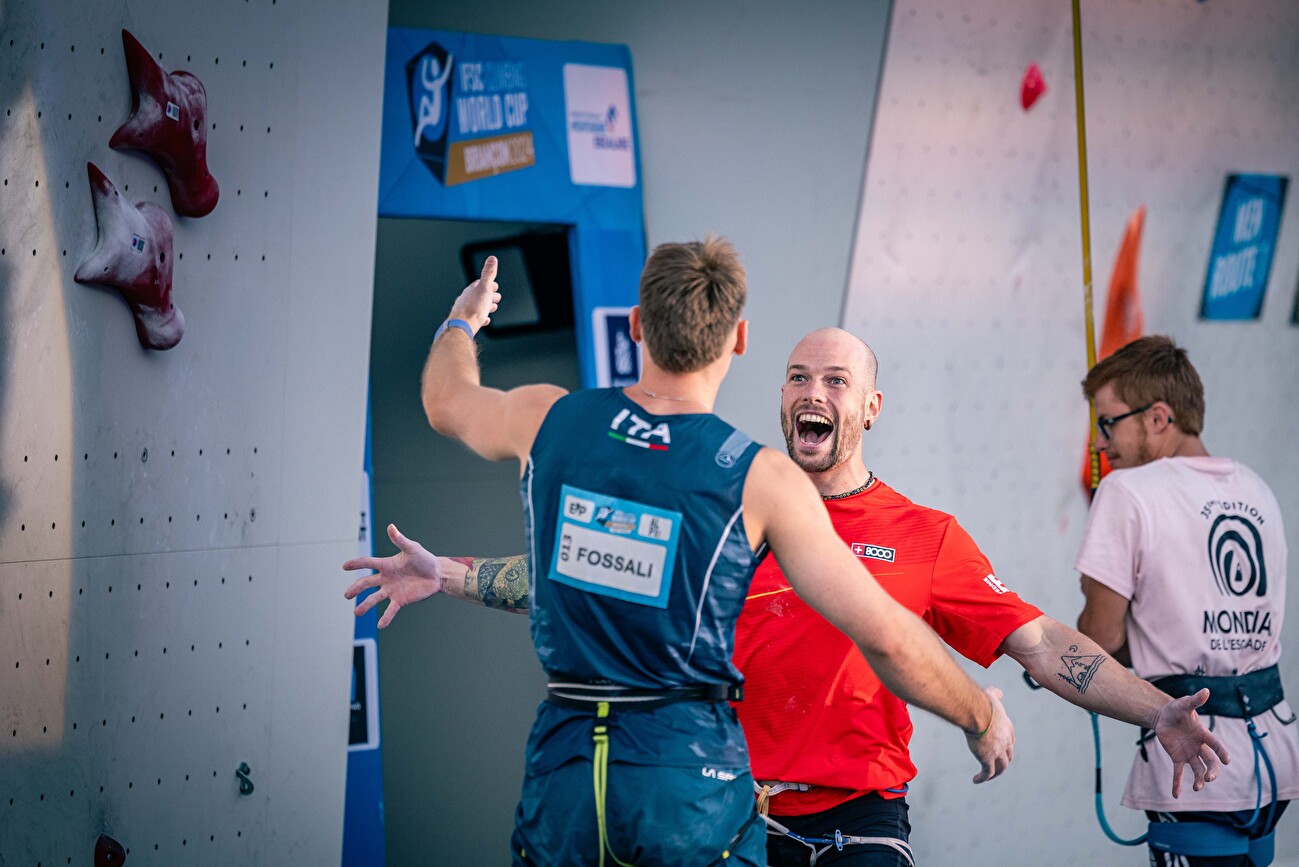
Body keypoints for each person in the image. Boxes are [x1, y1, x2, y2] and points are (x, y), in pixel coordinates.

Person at [349, 320, 1230, 865]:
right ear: (776, 393)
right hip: (726, 819)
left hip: (861, 827)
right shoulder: (734, 497)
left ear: (871, 407)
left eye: (836, 381)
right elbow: (594, 572)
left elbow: (1046, 644)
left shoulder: (927, 535)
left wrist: (1156, 712)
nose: (814, 392)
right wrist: (453, 574)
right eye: (799, 378)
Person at [361, 238, 1016, 867]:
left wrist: (462, 317)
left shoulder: (548, 417)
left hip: (566, 770)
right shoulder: (758, 476)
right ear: (739, 338)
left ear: (637, 325)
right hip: (686, 779)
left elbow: (444, 400)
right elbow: (889, 637)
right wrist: (980, 713)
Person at [1075, 335, 1298, 867]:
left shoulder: (1127, 491)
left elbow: (1101, 640)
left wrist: (1063, 649)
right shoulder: (1256, 488)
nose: (1102, 444)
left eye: (1108, 423)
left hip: (1197, 762)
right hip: (1277, 758)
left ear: (1158, 417)